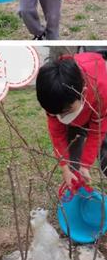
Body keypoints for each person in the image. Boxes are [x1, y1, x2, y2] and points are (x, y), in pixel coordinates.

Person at [36, 52, 107, 190]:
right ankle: (75, 186)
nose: (61, 118)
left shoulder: (101, 90)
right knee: (72, 159)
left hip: (99, 112)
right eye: (56, 114)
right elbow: (57, 134)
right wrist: (65, 167)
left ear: (84, 92)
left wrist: (86, 163)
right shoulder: (53, 96)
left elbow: (97, 131)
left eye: (66, 111)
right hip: (77, 108)